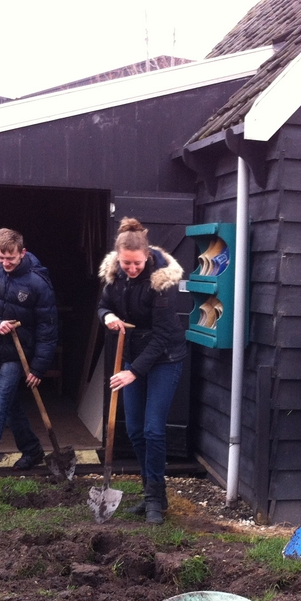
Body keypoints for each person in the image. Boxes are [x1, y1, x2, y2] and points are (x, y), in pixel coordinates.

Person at [97, 217, 187, 525]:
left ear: (146, 255)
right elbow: (102, 304)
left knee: (153, 429)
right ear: (119, 258)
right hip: (134, 357)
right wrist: (107, 315)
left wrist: (133, 372)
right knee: (134, 429)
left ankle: (153, 499)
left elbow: (162, 335)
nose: (131, 269)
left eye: (136, 263)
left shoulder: (161, 281)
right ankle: (154, 492)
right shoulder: (115, 276)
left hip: (165, 357)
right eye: (126, 264)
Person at [0, 228, 58, 483]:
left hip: (18, 353)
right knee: (8, 405)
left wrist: (39, 367)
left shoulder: (37, 281)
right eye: (1, 258)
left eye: (11, 258)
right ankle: (32, 450)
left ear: (22, 253)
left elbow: (47, 326)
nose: (5, 263)